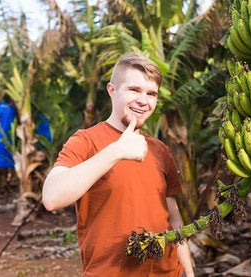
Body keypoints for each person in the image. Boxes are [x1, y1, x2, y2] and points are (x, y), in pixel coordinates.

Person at [42, 52, 194, 276]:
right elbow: (52, 198)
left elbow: (173, 217)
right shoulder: (86, 141)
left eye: (151, 93)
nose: (143, 100)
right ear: (112, 91)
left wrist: (189, 272)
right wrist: (115, 151)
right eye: (134, 90)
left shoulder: (160, 150)